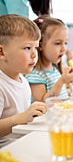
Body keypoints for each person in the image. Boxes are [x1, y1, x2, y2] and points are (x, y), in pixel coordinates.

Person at [0, 14, 46, 147]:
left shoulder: (23, 81)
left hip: (22, 143)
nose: (34, 54)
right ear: (2, 52)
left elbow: (24, 118)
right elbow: (20, 119)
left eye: (35, 48)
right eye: (27, 48)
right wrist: (21, 118)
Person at [25, 15, 73, 101]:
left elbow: (60, 95)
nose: (64, 49)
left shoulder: (55, 69)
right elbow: (43, 103)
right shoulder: (35, 75)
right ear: (40, 45)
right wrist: (62, 81)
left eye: (65, 43)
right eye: (58, 43)